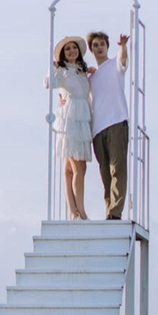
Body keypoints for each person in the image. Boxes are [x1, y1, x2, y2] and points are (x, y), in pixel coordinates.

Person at [46, 36, 93, 220]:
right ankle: (79, 210)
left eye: (74, 48)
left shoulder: (82, 72)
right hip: (70, 119)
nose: (72, 51)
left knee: (71, 168)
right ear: (63, 55)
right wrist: (53, 66)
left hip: (82, 120)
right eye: (68, 49)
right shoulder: (62, 71)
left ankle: (73, 210)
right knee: (77, 167)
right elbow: (48, 83)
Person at [87, 31, 130, 220]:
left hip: (116, 121)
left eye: (102, 44)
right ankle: (109, 210)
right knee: (105, 172)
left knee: (117, 168)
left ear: (107, 46)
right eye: (95, 45)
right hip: (98, 128)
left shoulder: (114, 64)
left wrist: (123, 46)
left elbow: (123, 61)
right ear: (91, 49)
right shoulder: (91, 78)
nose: (99, 48)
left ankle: (115, 212)